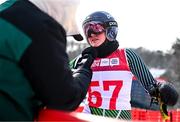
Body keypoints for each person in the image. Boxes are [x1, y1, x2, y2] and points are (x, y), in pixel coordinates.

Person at [70, 11, 179, 120]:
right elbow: (60, 75)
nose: (92, 34)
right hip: (89, 116)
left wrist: (161, 90)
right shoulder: (84, 58)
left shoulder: (126, 56)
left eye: (96, 28)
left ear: (110, 30)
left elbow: (150, 84)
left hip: (119, 118)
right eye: (87, 30)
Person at [0, 0, 97, 121]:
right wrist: (83, 70)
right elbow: (65, 98)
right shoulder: (39, 26)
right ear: (58, 14)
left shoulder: (6, 9)